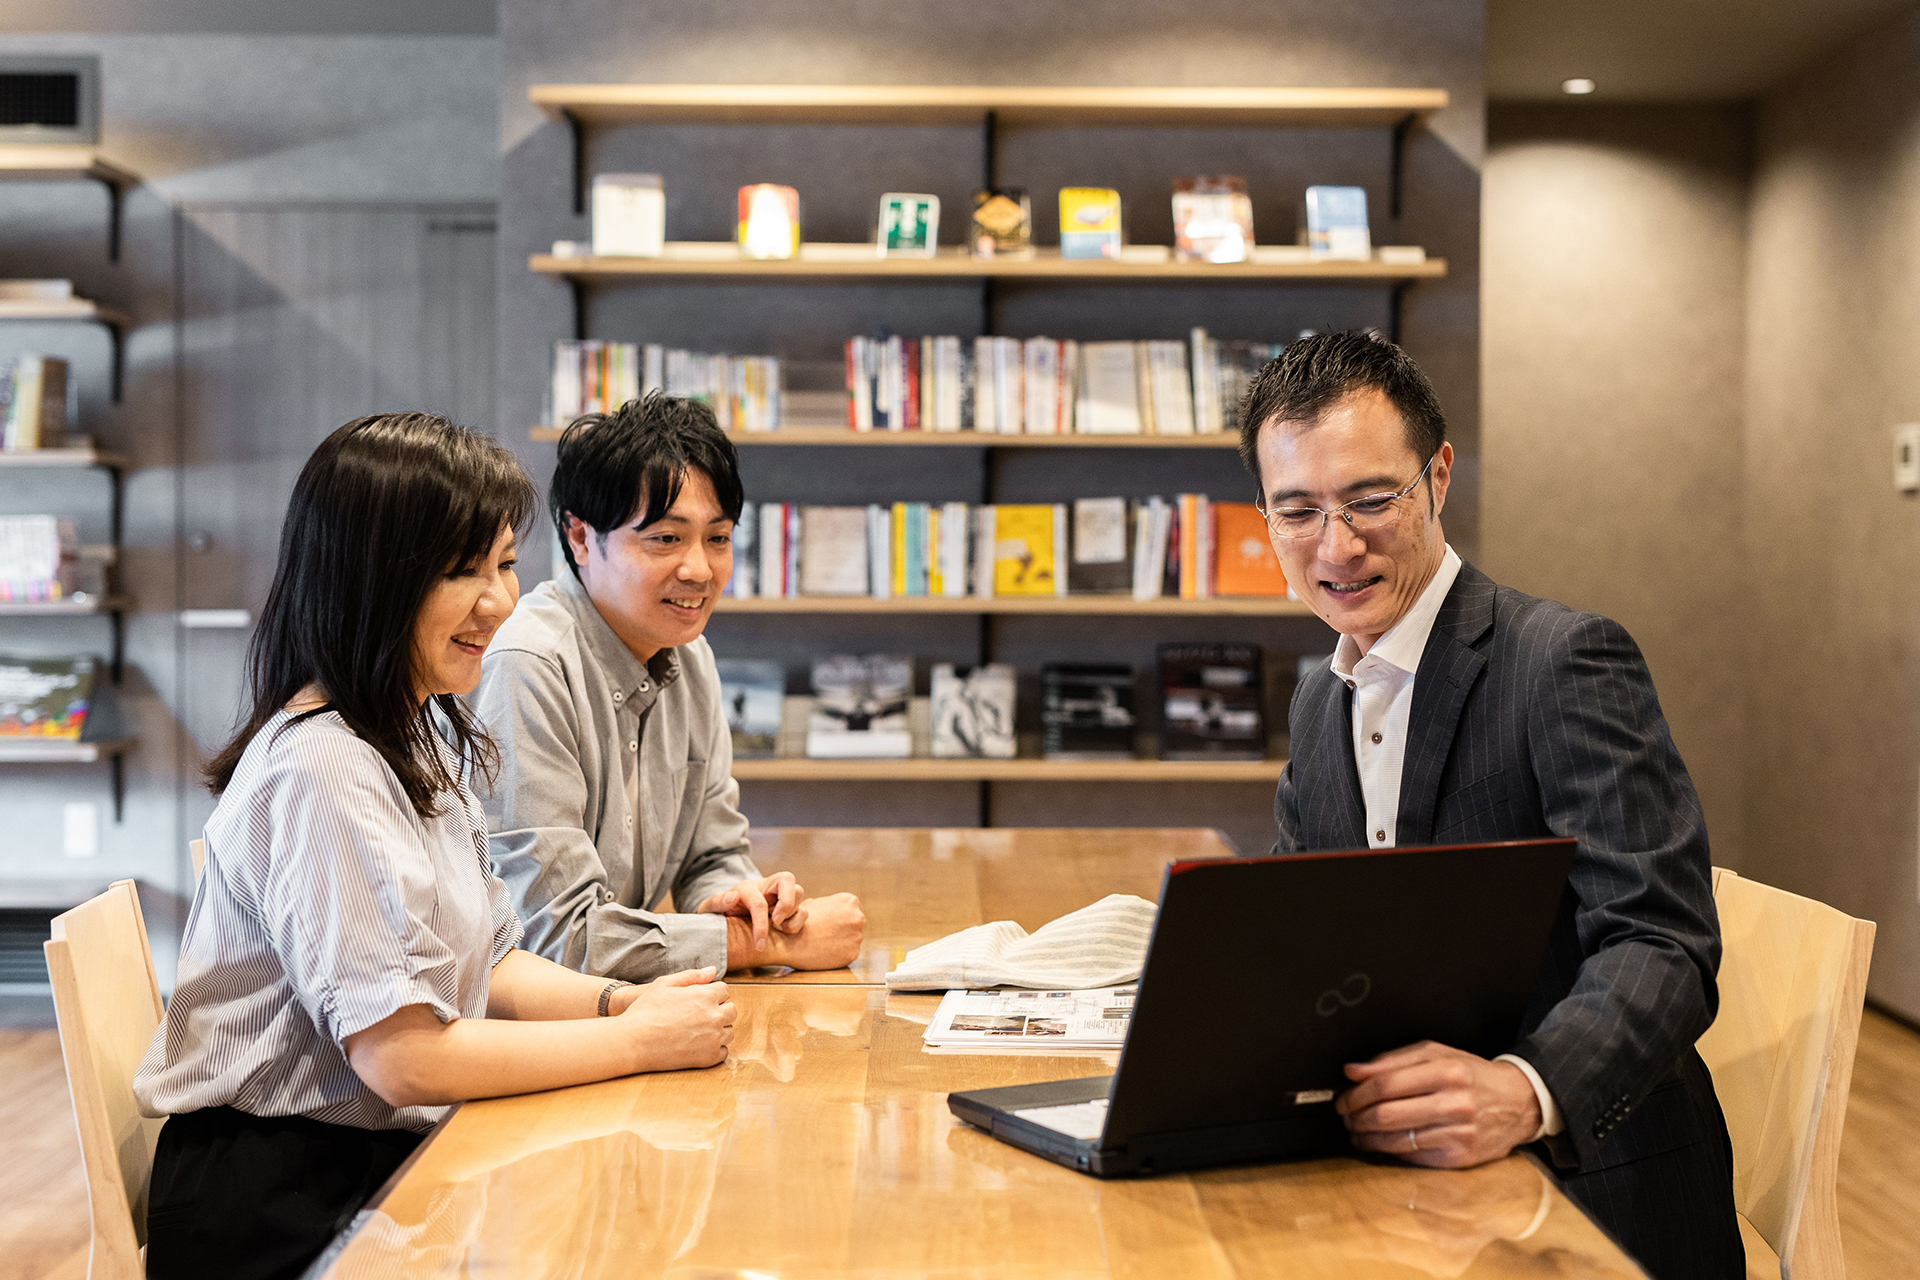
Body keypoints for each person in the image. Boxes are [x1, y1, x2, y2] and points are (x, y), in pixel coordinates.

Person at [133, 414, 737, 1280]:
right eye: (463, 571)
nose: (499, 601)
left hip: (361, 1158)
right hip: (278, 1203)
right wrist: (638, 1043)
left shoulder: (412, 734)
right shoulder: (320, 767)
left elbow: (488, 963)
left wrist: (622, 1005)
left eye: (502, 565)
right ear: (374, 579)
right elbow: (406, 1057)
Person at [1244, 332, 1742, 1280]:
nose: (1336, 546)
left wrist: (1527, 1088)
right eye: (1297, 510)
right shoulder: (1321, 696)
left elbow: (1664, 940)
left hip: (1585, 1190)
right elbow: (1302, 927)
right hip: (1394, 1175)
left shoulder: (1561, 662)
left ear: (1437, 477)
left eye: (1370, 499)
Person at [468, 393, 865, 980]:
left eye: (719, 538)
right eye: (665, 539)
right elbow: (553, 937)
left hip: (625, 1012)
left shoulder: (690, 656)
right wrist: (763, 946)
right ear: (579, 537)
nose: (700, 570)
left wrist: (742, 903)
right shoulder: (529, 663)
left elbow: (714, 855)